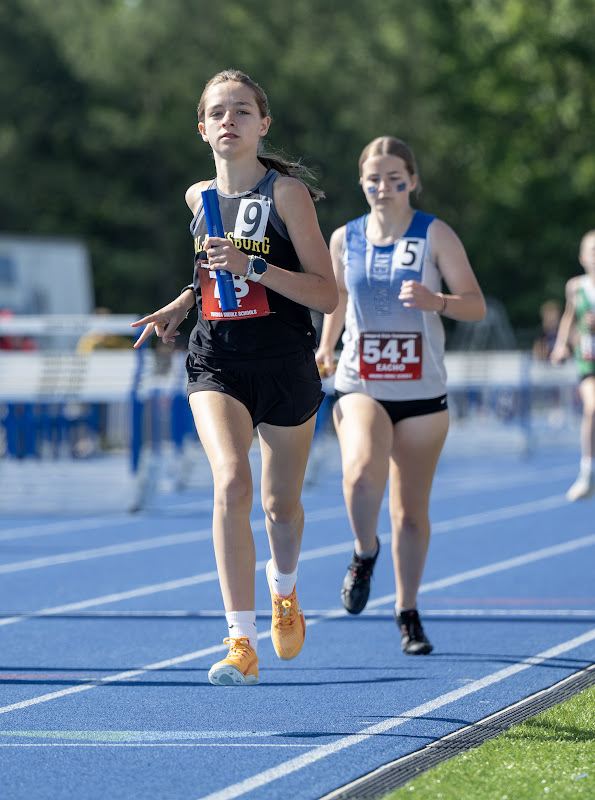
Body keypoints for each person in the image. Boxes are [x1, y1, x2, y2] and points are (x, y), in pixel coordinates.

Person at [131, 70, 337, 685]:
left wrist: (258, 267)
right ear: (201, 128)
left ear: (263, 124)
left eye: (242, 111)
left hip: (284, 363)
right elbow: (209, 271)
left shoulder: (287, 196)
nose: (230, 121)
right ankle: (239, 640)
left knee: (281, 507)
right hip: (215, 359)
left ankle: (285, 588)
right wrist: (183, 302)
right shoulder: (198, 198)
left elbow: (326, 295)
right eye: (218, 112)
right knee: (231, 483)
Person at [315, 136, 486, 655]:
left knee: (410, 512)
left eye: (394, 178)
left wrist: (438, 301)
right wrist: (325, 345)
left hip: (422, 391)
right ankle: (364, 553)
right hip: (360, 380)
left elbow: (475, 305)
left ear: (412, 180)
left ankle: (407, 610)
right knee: (360, 472)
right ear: (361, 183)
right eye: (373, 179)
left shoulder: (435, 234)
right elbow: (335, 300)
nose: (383, 188)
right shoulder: (346, 238)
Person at [550, 230, 595, 501]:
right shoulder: (576, 287)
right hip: (588, 361)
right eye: (592, 251)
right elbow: (569, 316)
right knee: (592, 407)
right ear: (581, 257)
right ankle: (587, 471)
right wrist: (561, 344)